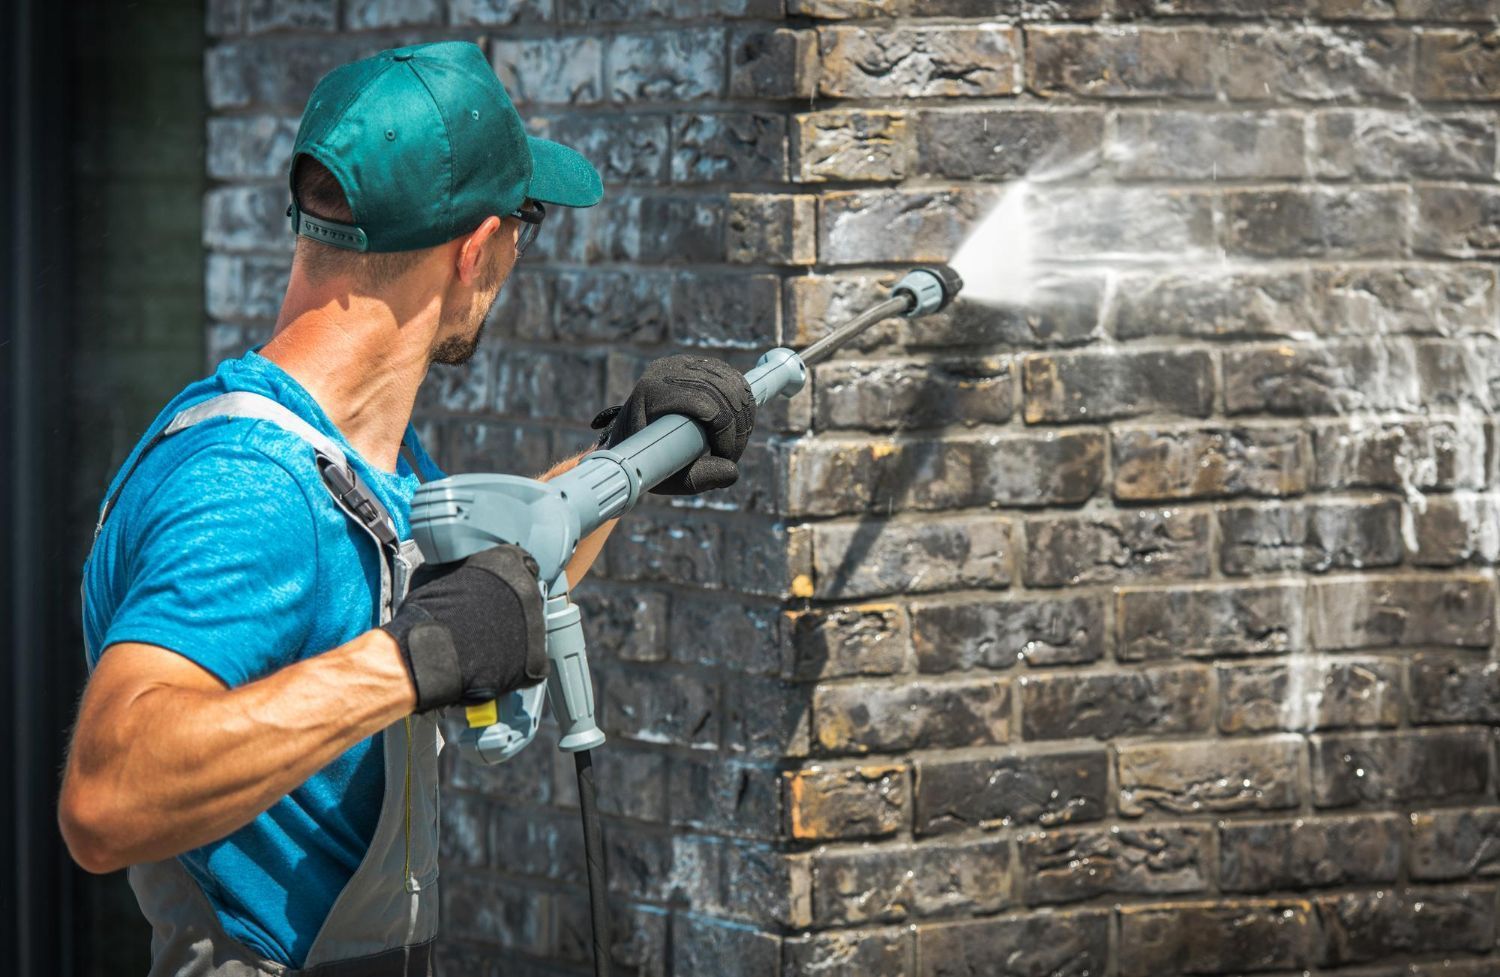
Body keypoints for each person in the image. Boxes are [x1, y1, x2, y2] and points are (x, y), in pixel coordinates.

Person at [57, 40, 756, 977]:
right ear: (474, 251)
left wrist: (623, 459)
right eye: (524, 223)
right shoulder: (253, 487)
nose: (515, 254)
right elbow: (109, 794)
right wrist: (410, 660)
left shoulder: (352, 455)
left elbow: (475, 592)